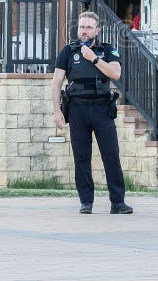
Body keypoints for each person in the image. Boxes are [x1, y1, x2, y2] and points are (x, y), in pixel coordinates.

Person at [52, 11, 133, 215]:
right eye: (81, 27)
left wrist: (94, 59)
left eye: (88, 27)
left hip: (101, 108)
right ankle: (86, 202)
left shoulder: (107, 50)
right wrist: (56, 111)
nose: (84, 31)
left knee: (111, 155)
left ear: (97, 30)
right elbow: (56, 81)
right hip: (77, 108)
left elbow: (115, 73)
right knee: (81, 157)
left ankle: (118, 202)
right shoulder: (68, 52)